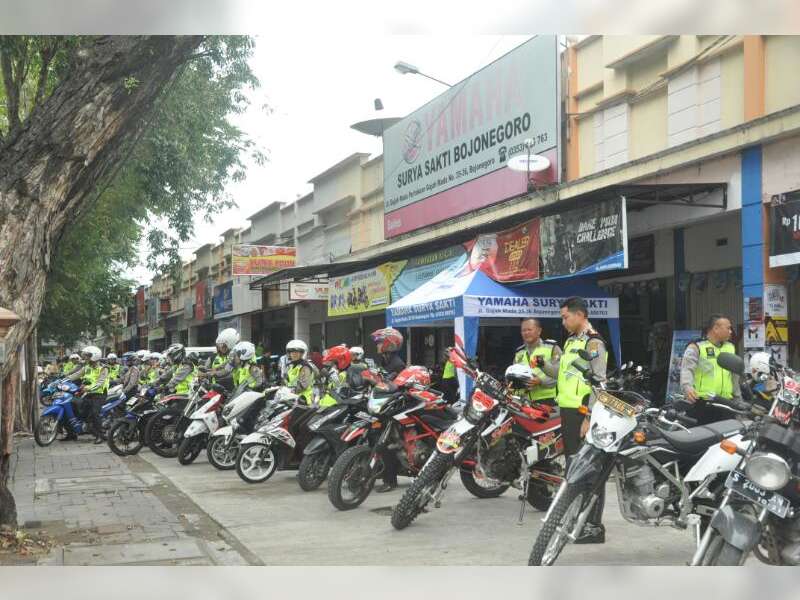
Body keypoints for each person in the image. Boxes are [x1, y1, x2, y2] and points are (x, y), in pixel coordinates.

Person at [543, 296, 608, 543]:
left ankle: (593, 527)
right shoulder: (571, 342)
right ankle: (578, 519)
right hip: (568, 411)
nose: (563, 321)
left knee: (590, 470)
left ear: (580, 315)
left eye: (565, 316)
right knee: (574, 468)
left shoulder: (594, 343)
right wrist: (542, 366)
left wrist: (589, 417)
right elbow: (560, 372)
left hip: (583, 412)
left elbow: (599, 382)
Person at [680, 313, 742, 425]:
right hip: (703, 405)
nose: (731, 331)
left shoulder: (730, 347)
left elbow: (734, 376)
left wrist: (738, 401)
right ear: (716, 328)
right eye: (728, 328)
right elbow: (687, 369)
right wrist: (687, 387)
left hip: (726, 404)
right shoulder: (697, 346)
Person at [369, 327, 406, 493]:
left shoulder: (397, 363)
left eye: (380, 342)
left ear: (389, 344)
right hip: (383, 404)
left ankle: (390, 480)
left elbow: (393, 385)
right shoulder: (385, 360)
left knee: (387, 444)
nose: (377, 345)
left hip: (393, 407)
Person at [68, 345, 110, 443]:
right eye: (85, 355)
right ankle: (82, 430)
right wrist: (63, 379)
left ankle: (100, 435)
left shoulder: (103, 368)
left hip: (99, 394)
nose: (85, 358)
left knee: (95, 413)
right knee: (79, 408)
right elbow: (76, 375)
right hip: (89, 393)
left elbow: (100, 383)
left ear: (94, 356)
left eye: (88, 356)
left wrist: (88, 389)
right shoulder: (87, 367)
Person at [514, 317, 561, 406]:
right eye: (523, 330)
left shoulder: (552, 348)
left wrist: (540, 381)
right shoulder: (519, 352)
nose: (526, 333)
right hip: (526, 402)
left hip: (549, 401)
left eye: (529, 330)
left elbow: (561, 375)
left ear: (539, 331)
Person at [282, 339, 316, 404]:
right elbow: (285, 381)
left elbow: (303, 385)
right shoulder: (290, 366)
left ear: (302, 353)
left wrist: (289, 391)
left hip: (304, 400)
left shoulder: (305, 367)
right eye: (292, 352)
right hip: (292, 398)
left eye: (297, 352)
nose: (294, 354)